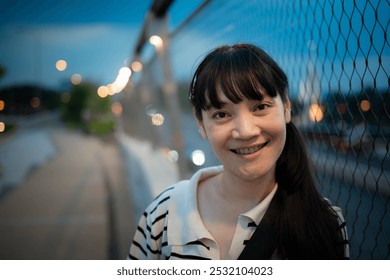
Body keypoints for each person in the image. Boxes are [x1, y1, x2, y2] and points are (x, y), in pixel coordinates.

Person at [127, 43, 349, 260]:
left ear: (287, 108)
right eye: (222, 114)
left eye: (260, 107)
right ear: (200, 123)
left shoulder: (328, 223)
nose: (245, 131)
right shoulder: (164, 212)